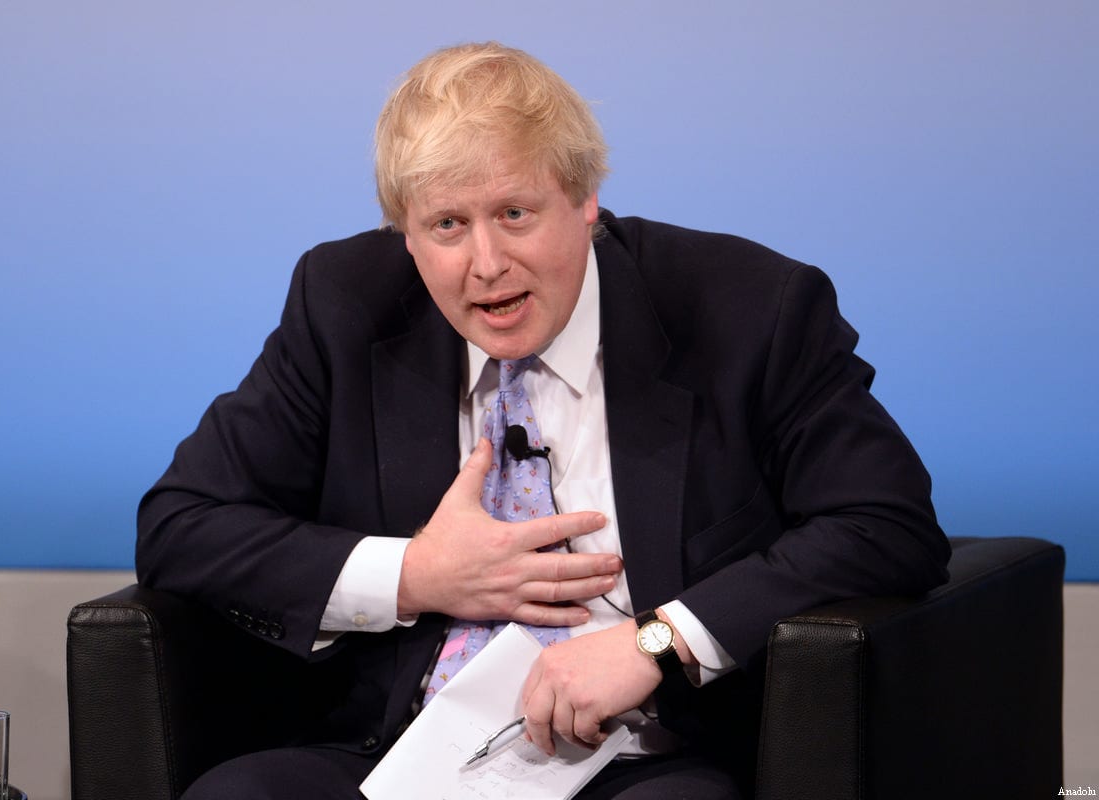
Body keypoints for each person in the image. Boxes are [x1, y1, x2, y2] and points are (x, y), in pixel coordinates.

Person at [136, 41, 950, 799]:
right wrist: (416, 576)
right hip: (403, 748)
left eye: (515, 214)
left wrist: (657, 643)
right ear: (406, 235)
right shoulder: (343, 303)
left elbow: (887, 523)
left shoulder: (748, 310)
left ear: (586, 198)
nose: (486, 265)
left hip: (654, 756)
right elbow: (180, 524)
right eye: (447, 225)